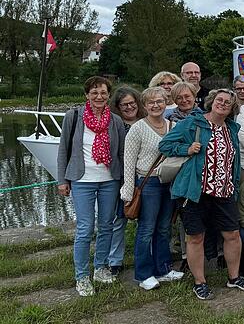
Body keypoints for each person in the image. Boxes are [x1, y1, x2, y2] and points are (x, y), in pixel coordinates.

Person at [158, 89, 244, 300]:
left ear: (232, 108)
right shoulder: (193, 123)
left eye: (228, 102)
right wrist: (187, 149)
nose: (223, 104)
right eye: (219, 100)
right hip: (195, 191)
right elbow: (164, 145)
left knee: (232, 234)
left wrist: (234, 185)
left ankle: (234, 277)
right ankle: (199, 282)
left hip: (224, 191)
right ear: (211, 102)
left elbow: (234, 161)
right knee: (195, 237)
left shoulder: (231, 128)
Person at [57, 76, 126, 297]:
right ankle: (82, 276)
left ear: (108, 95)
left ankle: (100, 268)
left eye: (103, 92)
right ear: (87, 94)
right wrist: (62, 180)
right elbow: (63, 150)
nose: (99, 96)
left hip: (109, 179)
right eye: (94, 92)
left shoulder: (115, 121)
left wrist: (125, 181)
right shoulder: (74, 116)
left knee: (107, 226)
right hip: (81, 180)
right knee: (85, 229)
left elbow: (122, 153)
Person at [120, 87, 184, 290]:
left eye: (159, 101)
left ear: (166, 103)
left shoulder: (173, 125)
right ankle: (143, 274)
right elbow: (128, 161)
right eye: (151, 102)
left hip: (169, 182)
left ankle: (163, 268)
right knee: (146, 229)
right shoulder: (138, 128)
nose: (156, 105)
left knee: (164, 228)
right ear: (144, 105)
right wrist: (128, 189)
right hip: (148, 183)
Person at [107, 85, 146, 276]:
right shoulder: (114, 124)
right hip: (120, 177)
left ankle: (147, 258)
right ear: (118, 107)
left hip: (145, 178)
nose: (130, 107)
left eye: (132, 103)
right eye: (124, 105)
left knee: (146, 221)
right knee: (119, 219)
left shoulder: (147, 122)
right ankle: (115, 260)